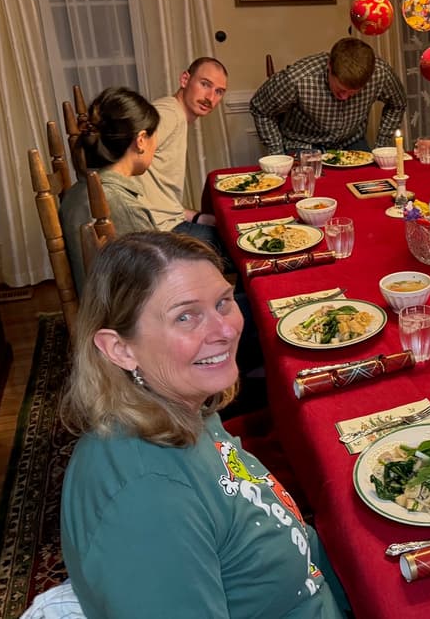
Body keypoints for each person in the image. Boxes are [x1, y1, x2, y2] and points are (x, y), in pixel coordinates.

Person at [60, 232, 348, 618]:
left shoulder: (180, 407)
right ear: (120, 349)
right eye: (186, 316)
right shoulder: (148, 499)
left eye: (223, 302)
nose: (225, 330)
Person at [59, 87, 159, 296]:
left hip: (98, 305)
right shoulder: (121, 205)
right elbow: (158, 278)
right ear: (141, 140)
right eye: (154, 136)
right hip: (128, 316)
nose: (155, 146)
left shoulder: (76, 192)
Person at [250, 37, 406, 154]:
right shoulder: (298, 79)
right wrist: (278, 154)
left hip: (352, 141)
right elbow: (260, 108)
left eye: (353, 93)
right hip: (303, 144)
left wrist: (382, 145)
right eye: (341, 89)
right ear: (329, 67)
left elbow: (398, 103)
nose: (344, 97)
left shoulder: (380, 73)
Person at [140, 56, 229, 237]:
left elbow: (160, 202)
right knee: (237, 244)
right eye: (205, 84)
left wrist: (198, 217)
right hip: (157, 233)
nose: (210, 97)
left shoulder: (176, 114)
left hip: (167, 222)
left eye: (219, 91)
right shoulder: (168, 115)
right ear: (185, 80)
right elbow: (121, 166)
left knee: (228, 225)